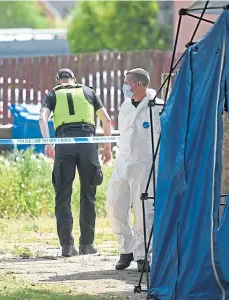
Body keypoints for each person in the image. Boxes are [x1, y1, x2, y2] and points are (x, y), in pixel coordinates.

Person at [39, 68, 113, 257]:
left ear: (58, 80)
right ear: (74, 79)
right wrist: (107, 147)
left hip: (64, 144)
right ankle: (87, 244)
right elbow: (107, 120)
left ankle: (67, 246)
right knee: (88, 194)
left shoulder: (53, 93)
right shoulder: (88, 91)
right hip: (88, 144)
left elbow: (42, 118)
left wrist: (48, 143)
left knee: (63, 196)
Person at [105, 68, 162, 272]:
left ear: (138, 84)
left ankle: (142, 255)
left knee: (143, 211)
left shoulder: (157, 106)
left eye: (127, 81)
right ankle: (126, 249)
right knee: (114, 206)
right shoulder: (125, 105)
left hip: (145, 165)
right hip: (123, 163)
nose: (124, 85)